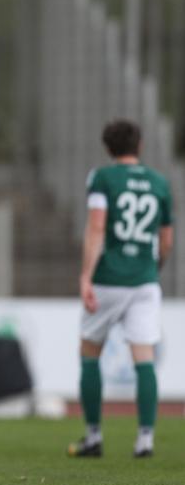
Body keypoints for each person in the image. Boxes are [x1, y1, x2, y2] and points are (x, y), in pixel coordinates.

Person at [69, 119, 173, 459]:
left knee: (89, 353)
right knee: (144, 358)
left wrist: (86, 275)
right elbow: (167, 238)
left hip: (108, 279)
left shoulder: (103, 178)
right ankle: (145, 440)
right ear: (139, 145)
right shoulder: (160, 182)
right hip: (145, 280)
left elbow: (97, 226)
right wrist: (152, 270)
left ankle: (94, 436)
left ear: (108, 148)